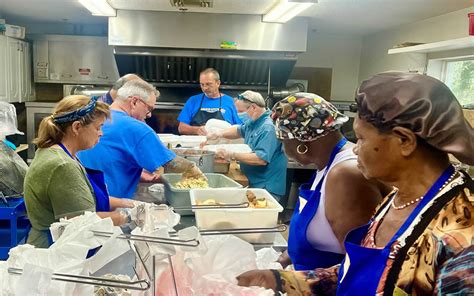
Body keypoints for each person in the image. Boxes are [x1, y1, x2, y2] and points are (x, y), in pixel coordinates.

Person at [237, 72, 474, 295]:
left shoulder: (462, 233)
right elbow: (353, 274)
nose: (355, 148)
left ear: (404, 141)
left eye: (361, 138)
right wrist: (280, 281)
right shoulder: (396, 200)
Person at [270, 93, 388, 270]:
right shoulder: (325, 167)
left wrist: (289, 281)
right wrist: (285, 259)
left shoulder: (345, 175)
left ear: (301, 142)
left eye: (283, 141)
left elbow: (359, 263)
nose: (283, 149)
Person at [23, 95, 136, 248]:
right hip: (55, 251)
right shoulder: (62, 165)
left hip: (64, 246)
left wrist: (128, 204)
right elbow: (83, 222)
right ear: (76, 127)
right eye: (98, 127)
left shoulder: (61, 153)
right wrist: (128, 217)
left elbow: (86, 199)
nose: (101, 133)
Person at [79, 80, 206, 199]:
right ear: (134, 102)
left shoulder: (96, 119)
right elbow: (171, 164)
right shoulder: (137, 128)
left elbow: (107, 158)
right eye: (149, 108)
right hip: (109, 203)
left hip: (84, 198)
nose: (149, 114)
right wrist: (193, 169)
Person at [207, 90, 288, 201]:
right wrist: (219, 133)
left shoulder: (268, 128)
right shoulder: (255, 121)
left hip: (266, 187)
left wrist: (231, 154)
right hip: (254, 182)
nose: (239, 115)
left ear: (253, 107)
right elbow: (239, 130)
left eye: (241, 111)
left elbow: (260, 159)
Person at [178, 68, 241, 135]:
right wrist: (196, 130)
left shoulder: (230, 101)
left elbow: (240, 128)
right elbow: (181, 128)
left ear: (218, 83)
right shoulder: (193, 101)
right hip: (197, 143)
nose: (205, 88)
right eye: (202, 84)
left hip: (222, 144)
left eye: (208, 84)